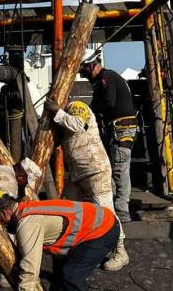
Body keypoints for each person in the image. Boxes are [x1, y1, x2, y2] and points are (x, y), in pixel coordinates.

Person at [44, 99, 129, 271]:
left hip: (95, 168)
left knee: (106, 211)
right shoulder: (64, 116)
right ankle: (89, 250)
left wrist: (57, 112)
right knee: (82, 214)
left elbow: (77, 124)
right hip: (78, 173)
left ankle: (120, 251)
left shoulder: (77, 107)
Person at [0, 191, 119, 291]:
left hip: (102, 229)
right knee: (59, 281)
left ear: (3, 214)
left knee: (71, 277)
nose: (1, 225)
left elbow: (30, 271)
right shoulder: (27, 208)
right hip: (98, 224)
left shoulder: (27, 223)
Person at [79, 49, 136, 223]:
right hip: (116, 130)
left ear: (90, 66)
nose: (83, 75)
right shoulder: (102, 81)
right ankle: (113, 208)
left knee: (119, 169)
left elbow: (108, 103)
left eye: (83, 71)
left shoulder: (107, 78)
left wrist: (88, 111)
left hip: (121, 130)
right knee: (112, 168)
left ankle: (122, 211)